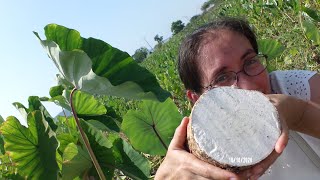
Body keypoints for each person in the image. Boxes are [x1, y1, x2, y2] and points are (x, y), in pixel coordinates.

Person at [155, 17, 320, 179]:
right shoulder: (200, 154)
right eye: (221, 78)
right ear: (196, 99)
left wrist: (298, 113)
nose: (248, 87)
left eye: (250, 62)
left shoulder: (295, 87)